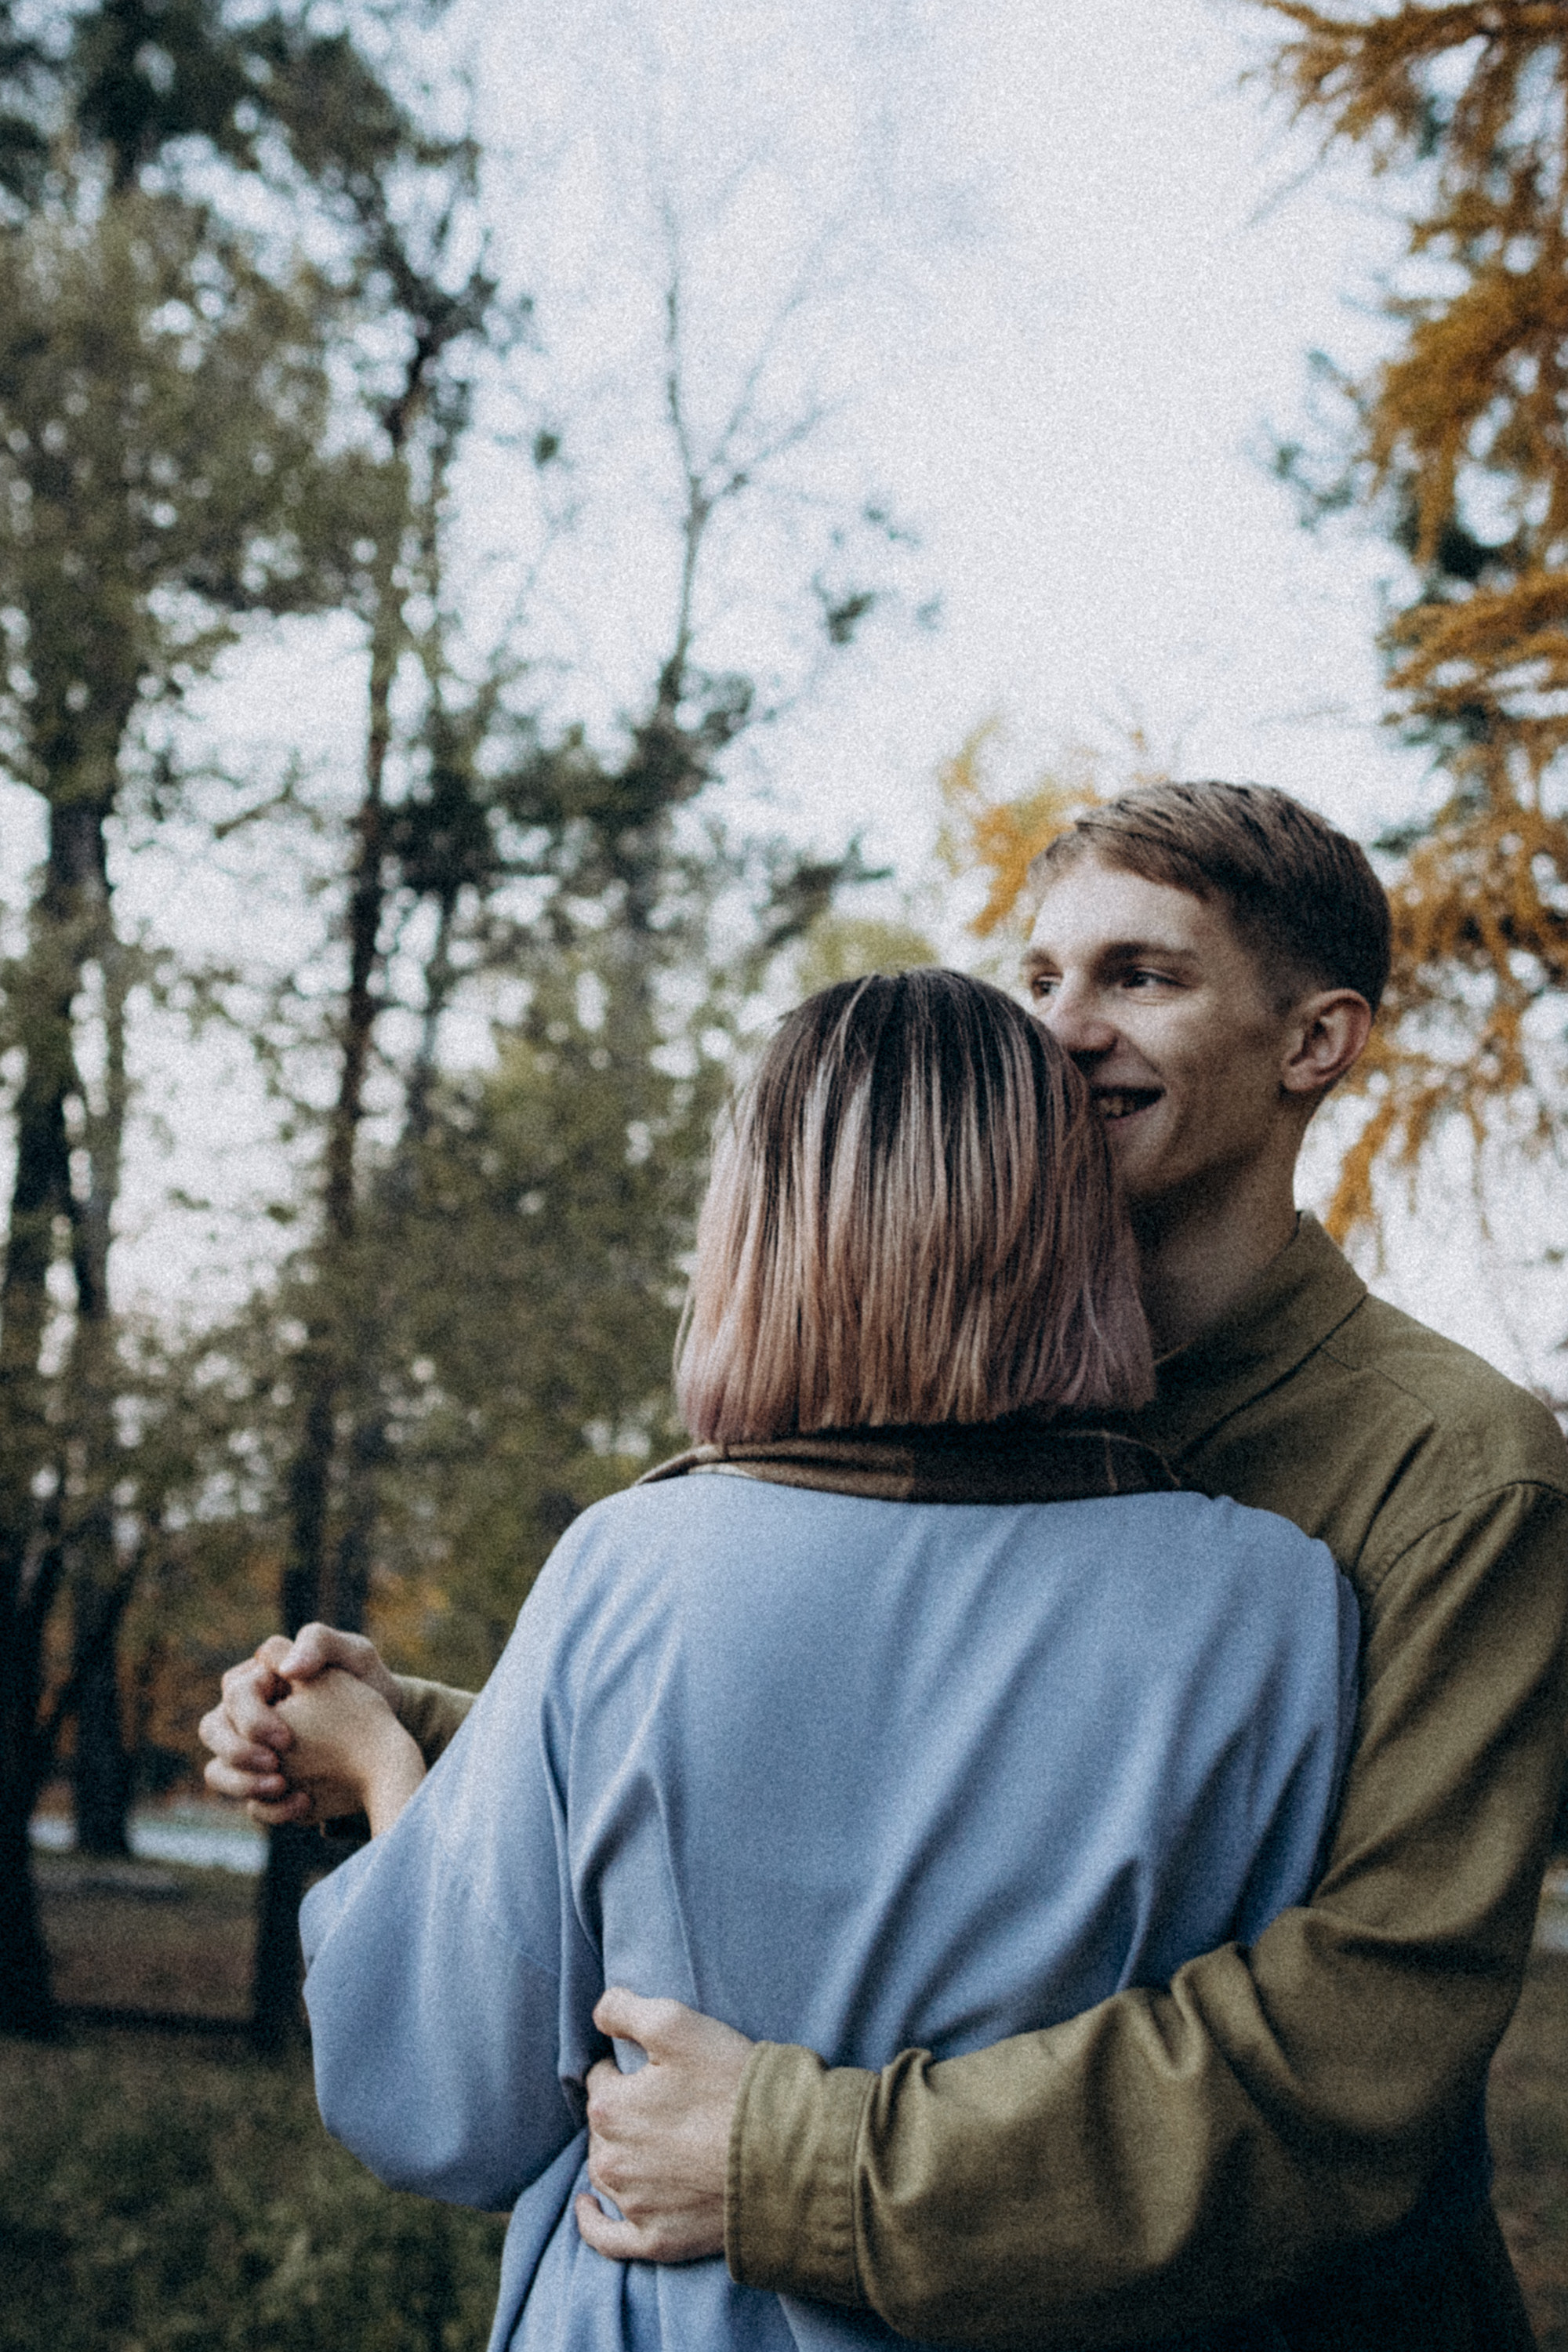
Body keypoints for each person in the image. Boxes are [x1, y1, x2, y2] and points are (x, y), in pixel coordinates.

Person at [202, 782, 1568, 2350]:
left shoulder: (1452, 1474)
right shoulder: (938, 1403)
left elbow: (1355, 2047)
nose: (1060, 1031)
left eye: (1140, 977)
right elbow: (848, 1767)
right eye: (1039, 977)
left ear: (1315, 1042)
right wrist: (441, 1737)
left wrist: (793, 2159)